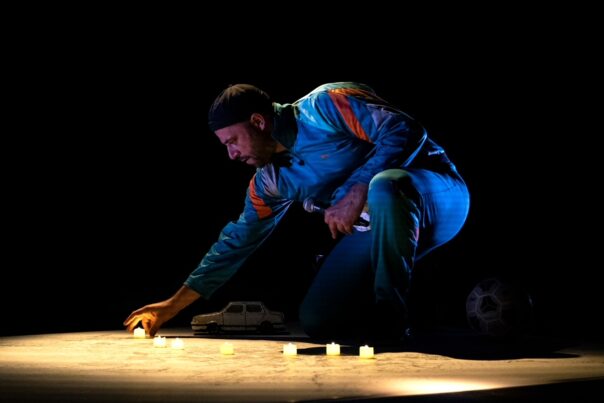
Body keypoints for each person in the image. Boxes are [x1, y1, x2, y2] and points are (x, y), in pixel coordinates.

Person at [124, 82, 470, 341]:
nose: (231, 155)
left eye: (232, 141)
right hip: (376, 230)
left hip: (437, 198)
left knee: (386, 185)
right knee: (319, 320)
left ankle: (391, 320)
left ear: (258, 121)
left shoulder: (325, 106)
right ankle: (413, 314)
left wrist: (358, 187)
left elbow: (404, 129)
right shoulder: (269, 182)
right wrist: (171, 306)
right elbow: (236, 242)